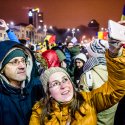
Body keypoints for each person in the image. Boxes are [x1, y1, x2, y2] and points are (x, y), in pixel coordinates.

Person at [29, 36, 125, 125]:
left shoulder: (88, 101)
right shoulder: (39, 113)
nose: (63, 86)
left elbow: (116, 90)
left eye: (65, 79)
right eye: (55, 84)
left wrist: (115, 54)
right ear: (48, 92)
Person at [0, 40, 45, 125]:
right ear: (2, 69)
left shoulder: (38, 87)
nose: (22, 66)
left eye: (23, 60)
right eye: (14, 62)